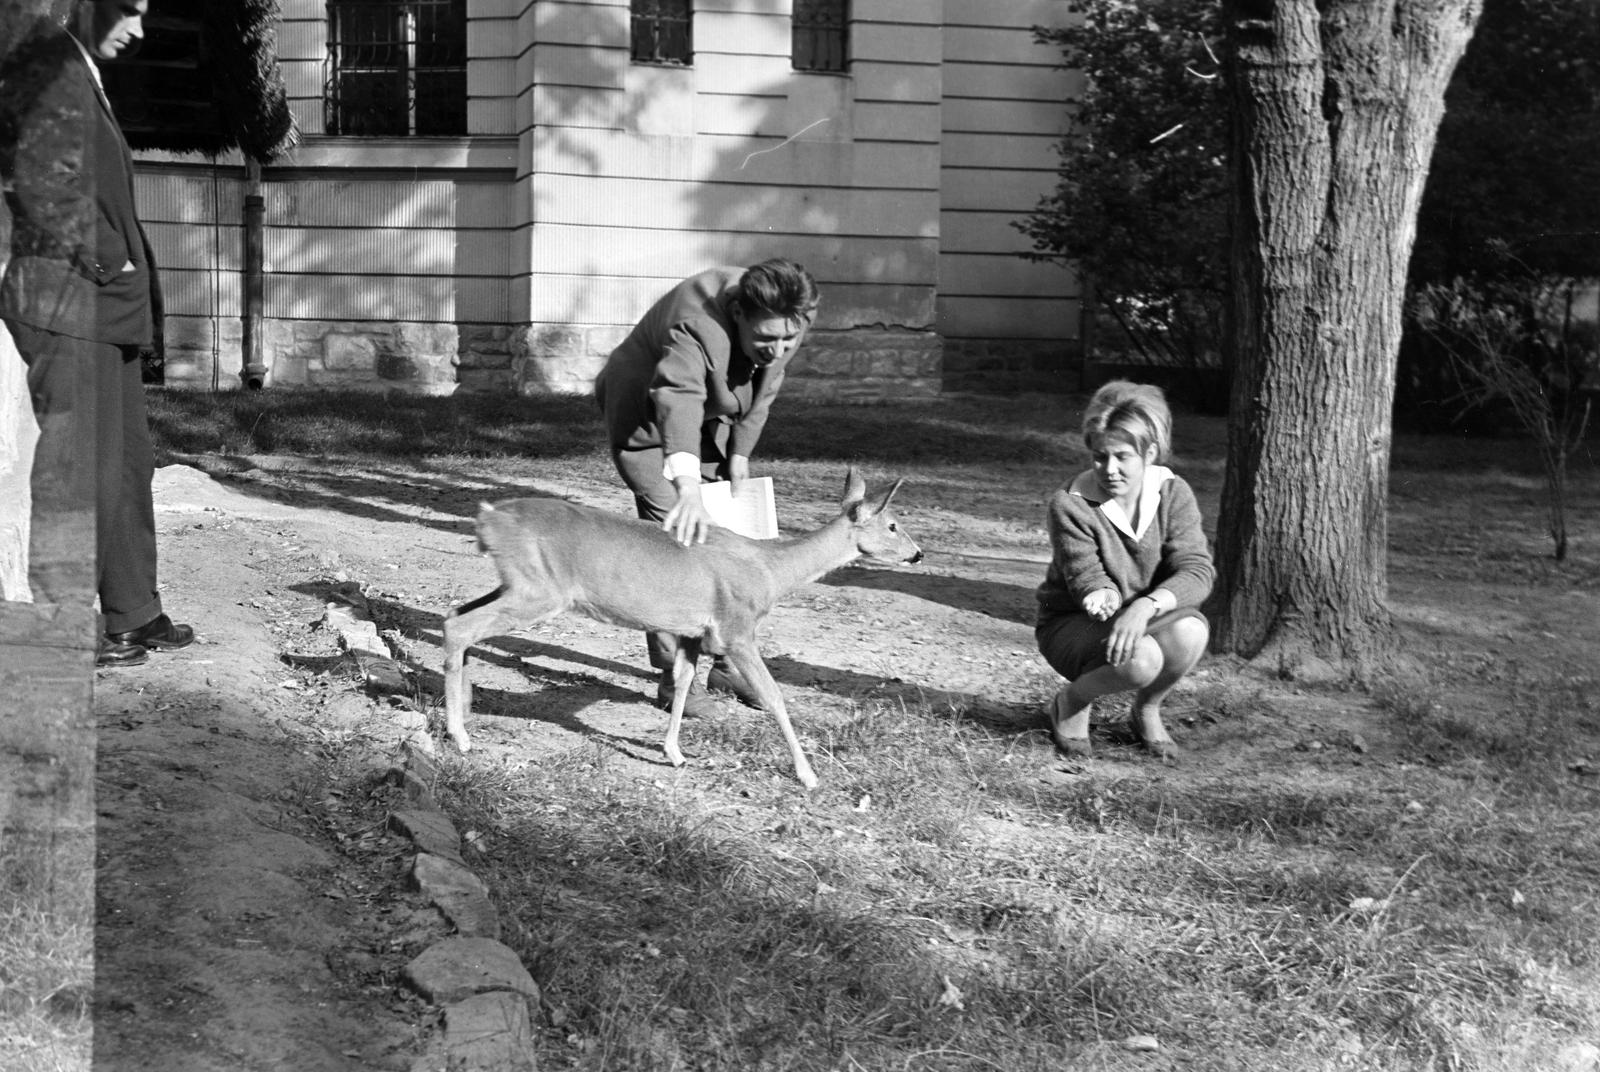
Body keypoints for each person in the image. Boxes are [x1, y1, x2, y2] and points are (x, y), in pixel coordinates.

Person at [1, 0, 192, 667]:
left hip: (100, 304)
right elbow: (39, 179)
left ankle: (134, 612)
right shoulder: (47, 61)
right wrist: (112, 259)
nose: (141, 29)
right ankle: (73, 630)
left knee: (125, 463)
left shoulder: (77, 67)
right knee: (77, 473)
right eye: (130, 9)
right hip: (67, 299)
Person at [594, 258, 819, 716]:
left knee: (727, 541)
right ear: (738, 315)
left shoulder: (789, 316)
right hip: (647, 416)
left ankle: (722, 660)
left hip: (710, 411)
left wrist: (738, 454)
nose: (778, 349)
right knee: (673, 540)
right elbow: (679, 400)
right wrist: (688, 487)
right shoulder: (697, 324)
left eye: (788, 339)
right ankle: (673, 678)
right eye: (767, 339)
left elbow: (768, 384)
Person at [1035, 381, 1213, 762]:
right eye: (1100, 457)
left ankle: (1147, 709)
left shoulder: (1173, 493)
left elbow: (1196, 569)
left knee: (1191, 630)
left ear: (1148, 452)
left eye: (1122, 457)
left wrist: (1144, 606)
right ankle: (1072, 701)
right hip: (1075, 624)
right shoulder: (1072, 503)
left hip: (1142, 619)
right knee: (1141, 659)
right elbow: (1087, 576)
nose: (1109, 470)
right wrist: (1105, 596)